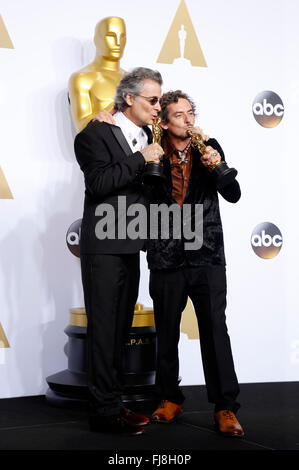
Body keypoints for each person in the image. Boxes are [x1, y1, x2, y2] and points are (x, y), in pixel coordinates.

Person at [147, 90, 244, 437]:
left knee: (216, 332)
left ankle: (225, 408)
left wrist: (216, 165)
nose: (188, 120)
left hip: (207, 256)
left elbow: (233, 194)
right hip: (166, 256)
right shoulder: (150, 149)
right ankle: (168, 398)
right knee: (167, 331)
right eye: (178, 115)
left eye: (190, 113)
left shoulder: (209, 145)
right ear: (163, 121)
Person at [74, 67, 163, 435]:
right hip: (104, 248)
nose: (157, 107)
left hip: (131, 245)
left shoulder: (147, 133)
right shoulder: (94, 133)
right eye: (152, 100)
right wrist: (142, 158)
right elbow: (99, 183)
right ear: (130, 98)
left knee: (120, 331)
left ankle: (114, 404)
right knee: (103, 330)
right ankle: (103, 412)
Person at [69, 17, 127, 132]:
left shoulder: (133, 79)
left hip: (139, 147)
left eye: (122, 37)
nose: (118, 43)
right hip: (101, 146)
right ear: (97, 39)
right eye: (111, 36)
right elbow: (82, 128)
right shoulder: (82, 78)